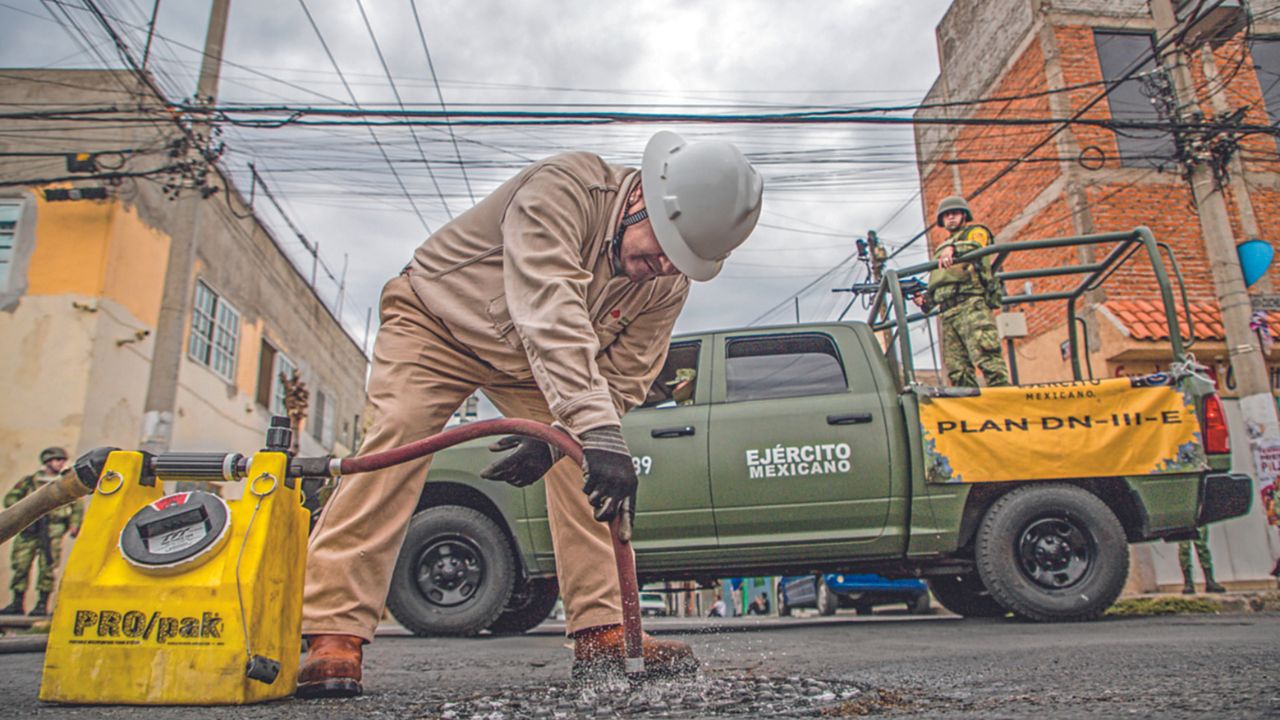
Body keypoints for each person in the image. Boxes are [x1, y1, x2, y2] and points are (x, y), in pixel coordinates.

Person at [297, 131, 764, 698]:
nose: (663, 264)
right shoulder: (564, 188)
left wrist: (570, 437)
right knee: (398, 439)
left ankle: (605, 633)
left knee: (585, 458)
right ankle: (333, 632)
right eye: (664, 243)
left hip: (532, 362)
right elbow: (548, 306)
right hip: (437, 322)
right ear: (644, 196)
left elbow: (626, 373)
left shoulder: (667, 281)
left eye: (682, 257)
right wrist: (588, 422)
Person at [914, 196, 1010, 388]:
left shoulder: (975, 232)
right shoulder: (942, 251)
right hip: (947, 311)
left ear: (964, 216)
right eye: (946, 215)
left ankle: (1005, 403)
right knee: (957, 369)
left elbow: (977, 246)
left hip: (971, 304)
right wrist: (924, 301)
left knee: (987, 357)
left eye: (955, 214)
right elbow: (939, 282)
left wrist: (952, 248)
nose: (951, 218)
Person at [1, 447, 83, 616]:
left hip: (53, 528)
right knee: (21, 565)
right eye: (57, 459)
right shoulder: (30, 481)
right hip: (29, 528)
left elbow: (77, 507)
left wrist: (74, 525)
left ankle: (41, 604)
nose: (61, 463)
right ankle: (17, 602)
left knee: (48, 566)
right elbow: (10, 500)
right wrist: (25, 512)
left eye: (62, 460)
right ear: (48, 461)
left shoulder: (67, 482)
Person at [1178, 527, 1226, 594]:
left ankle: (1209, 580)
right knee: (1184, 548)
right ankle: (1188, 582)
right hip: (1182, 521)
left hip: (1198, 519)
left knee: (1202, 546)